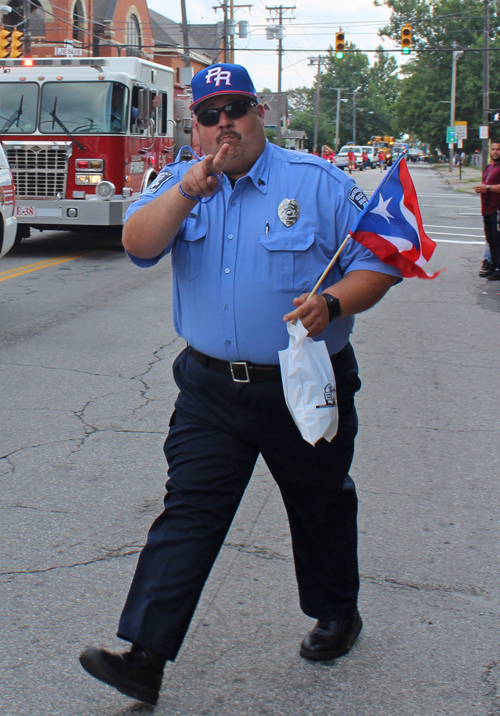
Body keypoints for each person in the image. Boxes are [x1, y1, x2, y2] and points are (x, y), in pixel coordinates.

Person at [79, 62, 400, 706]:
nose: (224, 122)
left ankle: (338, 612)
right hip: (210, 390)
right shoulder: (179, 183)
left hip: (303, 382)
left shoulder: (316, 183)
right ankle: (145, 655)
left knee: (319, 504)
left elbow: (381, 262)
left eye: (237, 108)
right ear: (194, 127)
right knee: (189, 512)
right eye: (209, 113)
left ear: (260, 114)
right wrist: (191, 188)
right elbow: (138, 243)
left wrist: (332, 305)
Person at [474, 141, 500, 280]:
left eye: (498, 149)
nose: (495, 151)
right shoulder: (490, 166)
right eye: (494, 149)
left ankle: (498, 268)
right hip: (488, 209)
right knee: (491, 238)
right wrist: (482, 188)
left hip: (497, 208)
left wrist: (488, 188)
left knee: (497, 239)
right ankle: (493, 265)